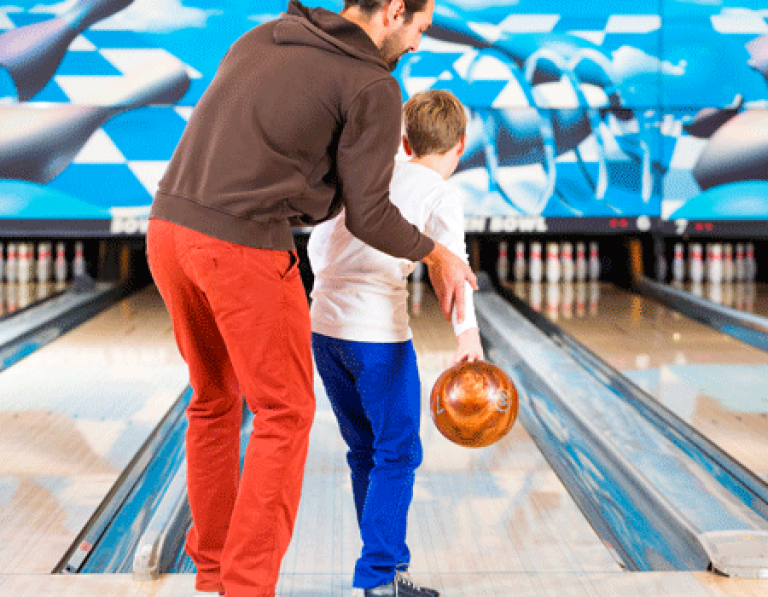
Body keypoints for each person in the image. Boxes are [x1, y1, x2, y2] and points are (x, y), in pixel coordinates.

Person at [144, 1, 477, 596]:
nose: (417, 47)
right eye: (420, 30)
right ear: (395, 11)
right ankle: (246, 586)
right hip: (241, 246)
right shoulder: (372, 82)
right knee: (285, 412)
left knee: (214, 400)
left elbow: (283, 168)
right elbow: (371, 214)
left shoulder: (266, 36)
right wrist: (436, 252)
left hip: (167, 229)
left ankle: (215, 574)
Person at [308, 89, 484, 597]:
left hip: (325, 330)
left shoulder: (371, 170)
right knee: (399, 452)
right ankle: (381, 576)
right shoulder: (442, 193)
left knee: (366, 450)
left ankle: (385, 570)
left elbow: (322, 241)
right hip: (378, 337)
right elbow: (453, 264)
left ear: (404, 141)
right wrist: (465, 332)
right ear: (461, 144)